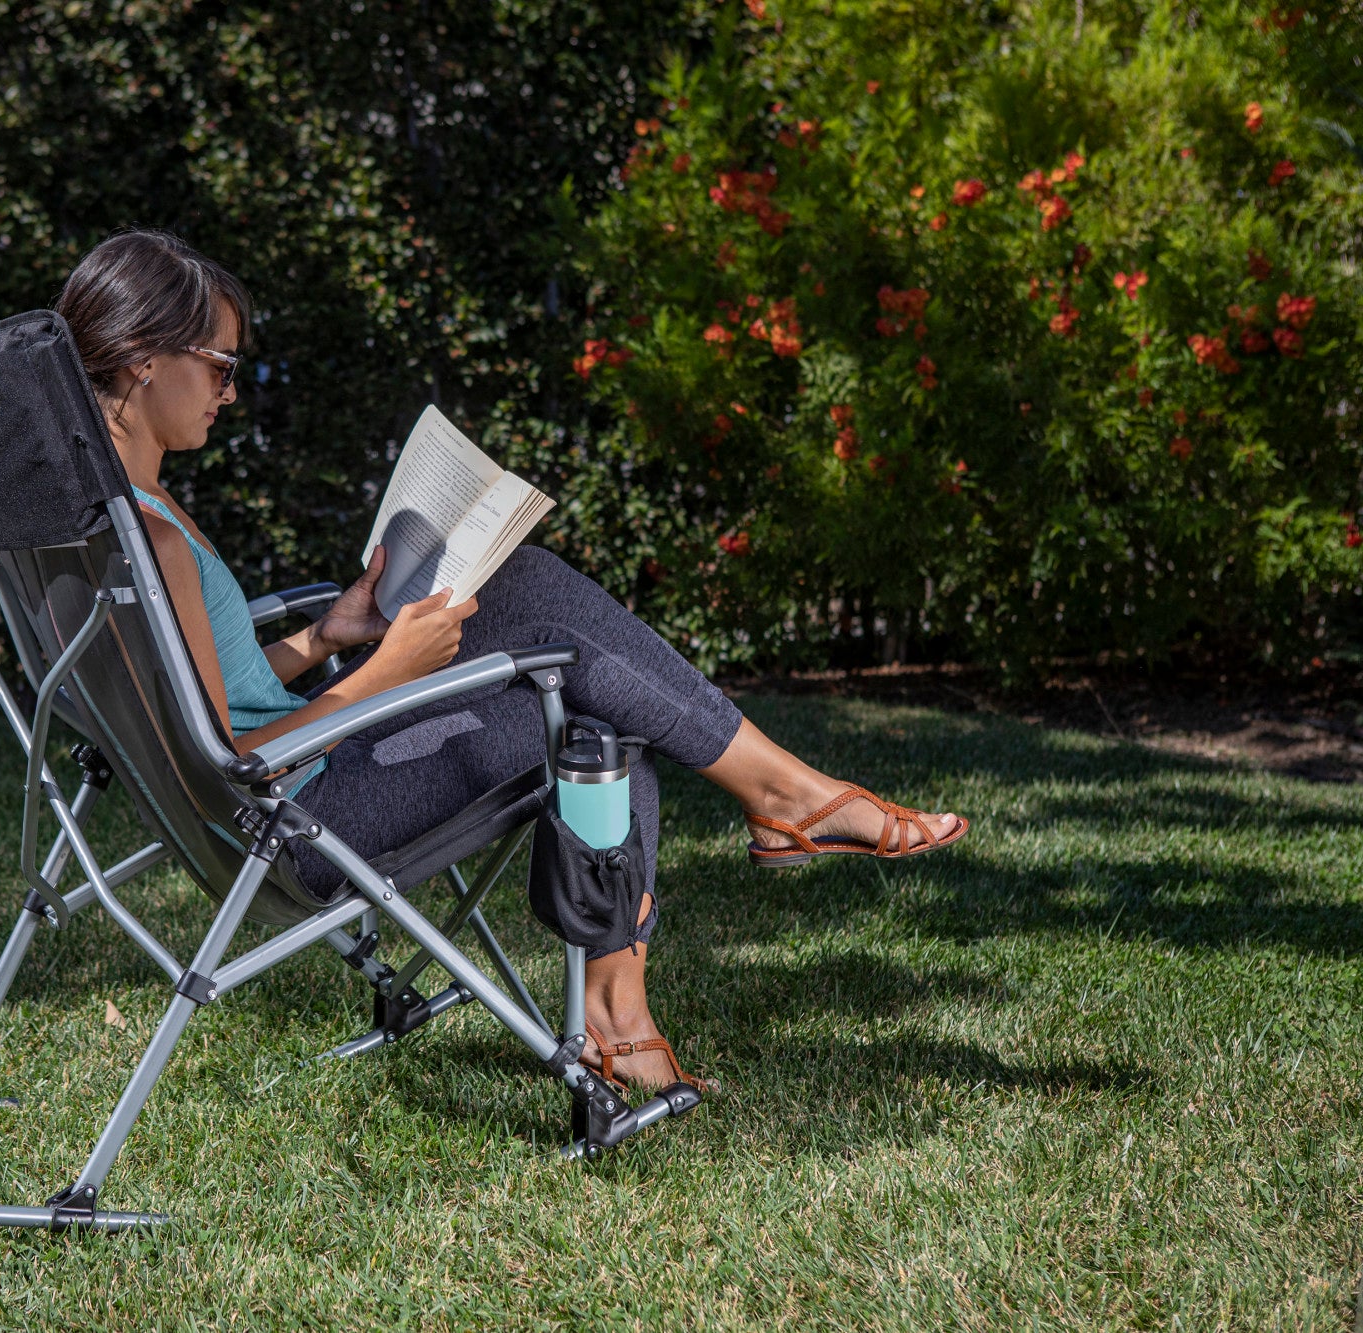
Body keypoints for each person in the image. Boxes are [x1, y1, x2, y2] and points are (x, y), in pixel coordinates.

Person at [55, 230, 967, 1094]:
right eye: (219, 365)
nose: (231, 390)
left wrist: (333, 637)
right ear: (143, 358)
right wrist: (390, 671)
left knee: (572, 661)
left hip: (285, 798)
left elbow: (209, 696)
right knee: (583, 688)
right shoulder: (150, 540)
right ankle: (741, 857)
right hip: (303, 823)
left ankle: (681, 939)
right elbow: (224, 762)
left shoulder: (110, 522)